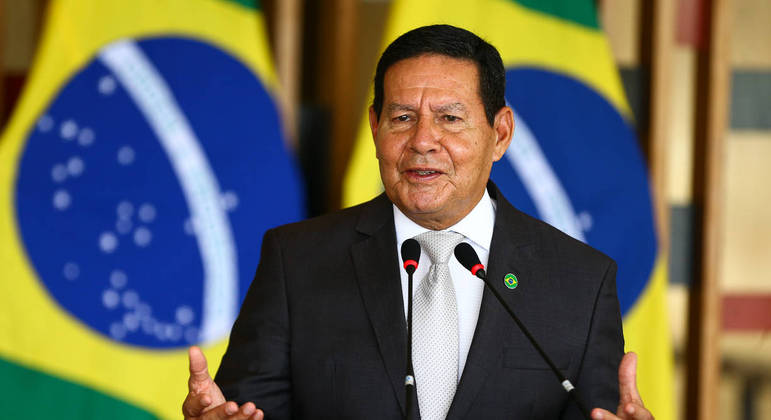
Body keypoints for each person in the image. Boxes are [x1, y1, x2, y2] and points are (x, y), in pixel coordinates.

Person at [182, 25, 654, 420]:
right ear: (376, 128)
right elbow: (247, 410)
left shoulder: (580, 282)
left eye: (449, 118)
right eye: (403, 117)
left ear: (500, 133)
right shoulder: (296, 262)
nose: (423, 141)